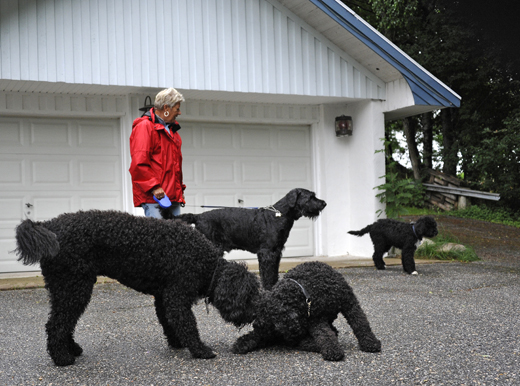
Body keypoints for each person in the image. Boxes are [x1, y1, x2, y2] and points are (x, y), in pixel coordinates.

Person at [129, 88, 186, 218]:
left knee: (176, 237)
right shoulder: (145, 127)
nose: (179, 112)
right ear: (166, 108)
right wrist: (154, 188)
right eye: (177, 109)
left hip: (173, 199)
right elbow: (139, 164)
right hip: (154, 198)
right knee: (158, 237)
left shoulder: (173, 132)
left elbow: (175, 166)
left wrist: (179, 191)